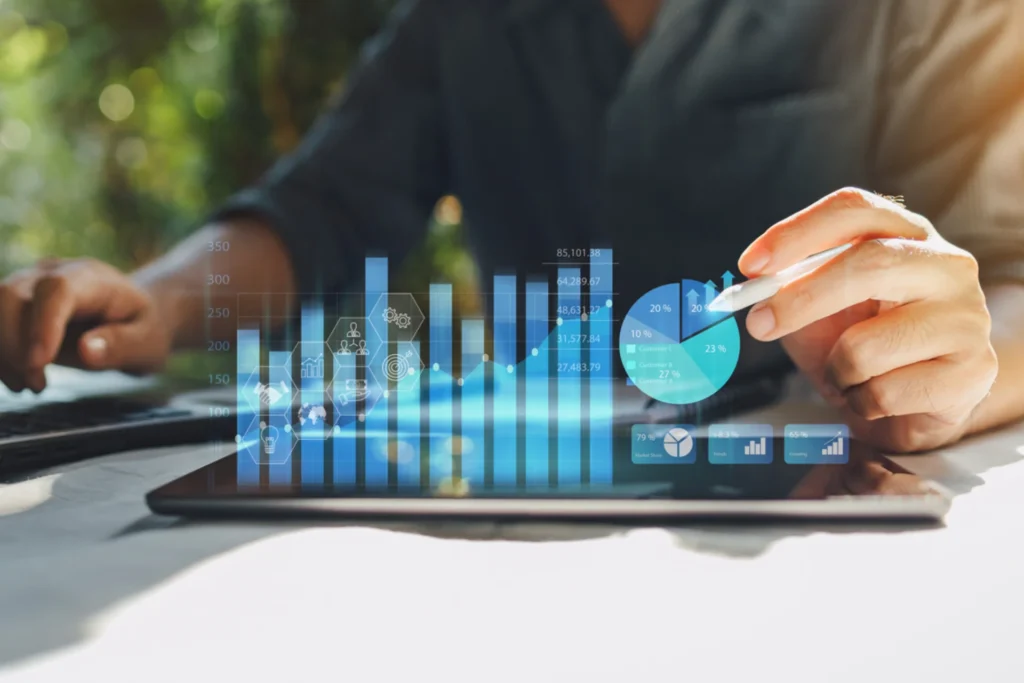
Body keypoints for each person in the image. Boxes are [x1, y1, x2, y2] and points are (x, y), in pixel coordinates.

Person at [1, 0, 1022, 452]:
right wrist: (160, 300)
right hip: (535, 494)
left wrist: (956, 379)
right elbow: (319, 208)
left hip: (818, 499)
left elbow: (1009, 274)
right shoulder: (461, 19)